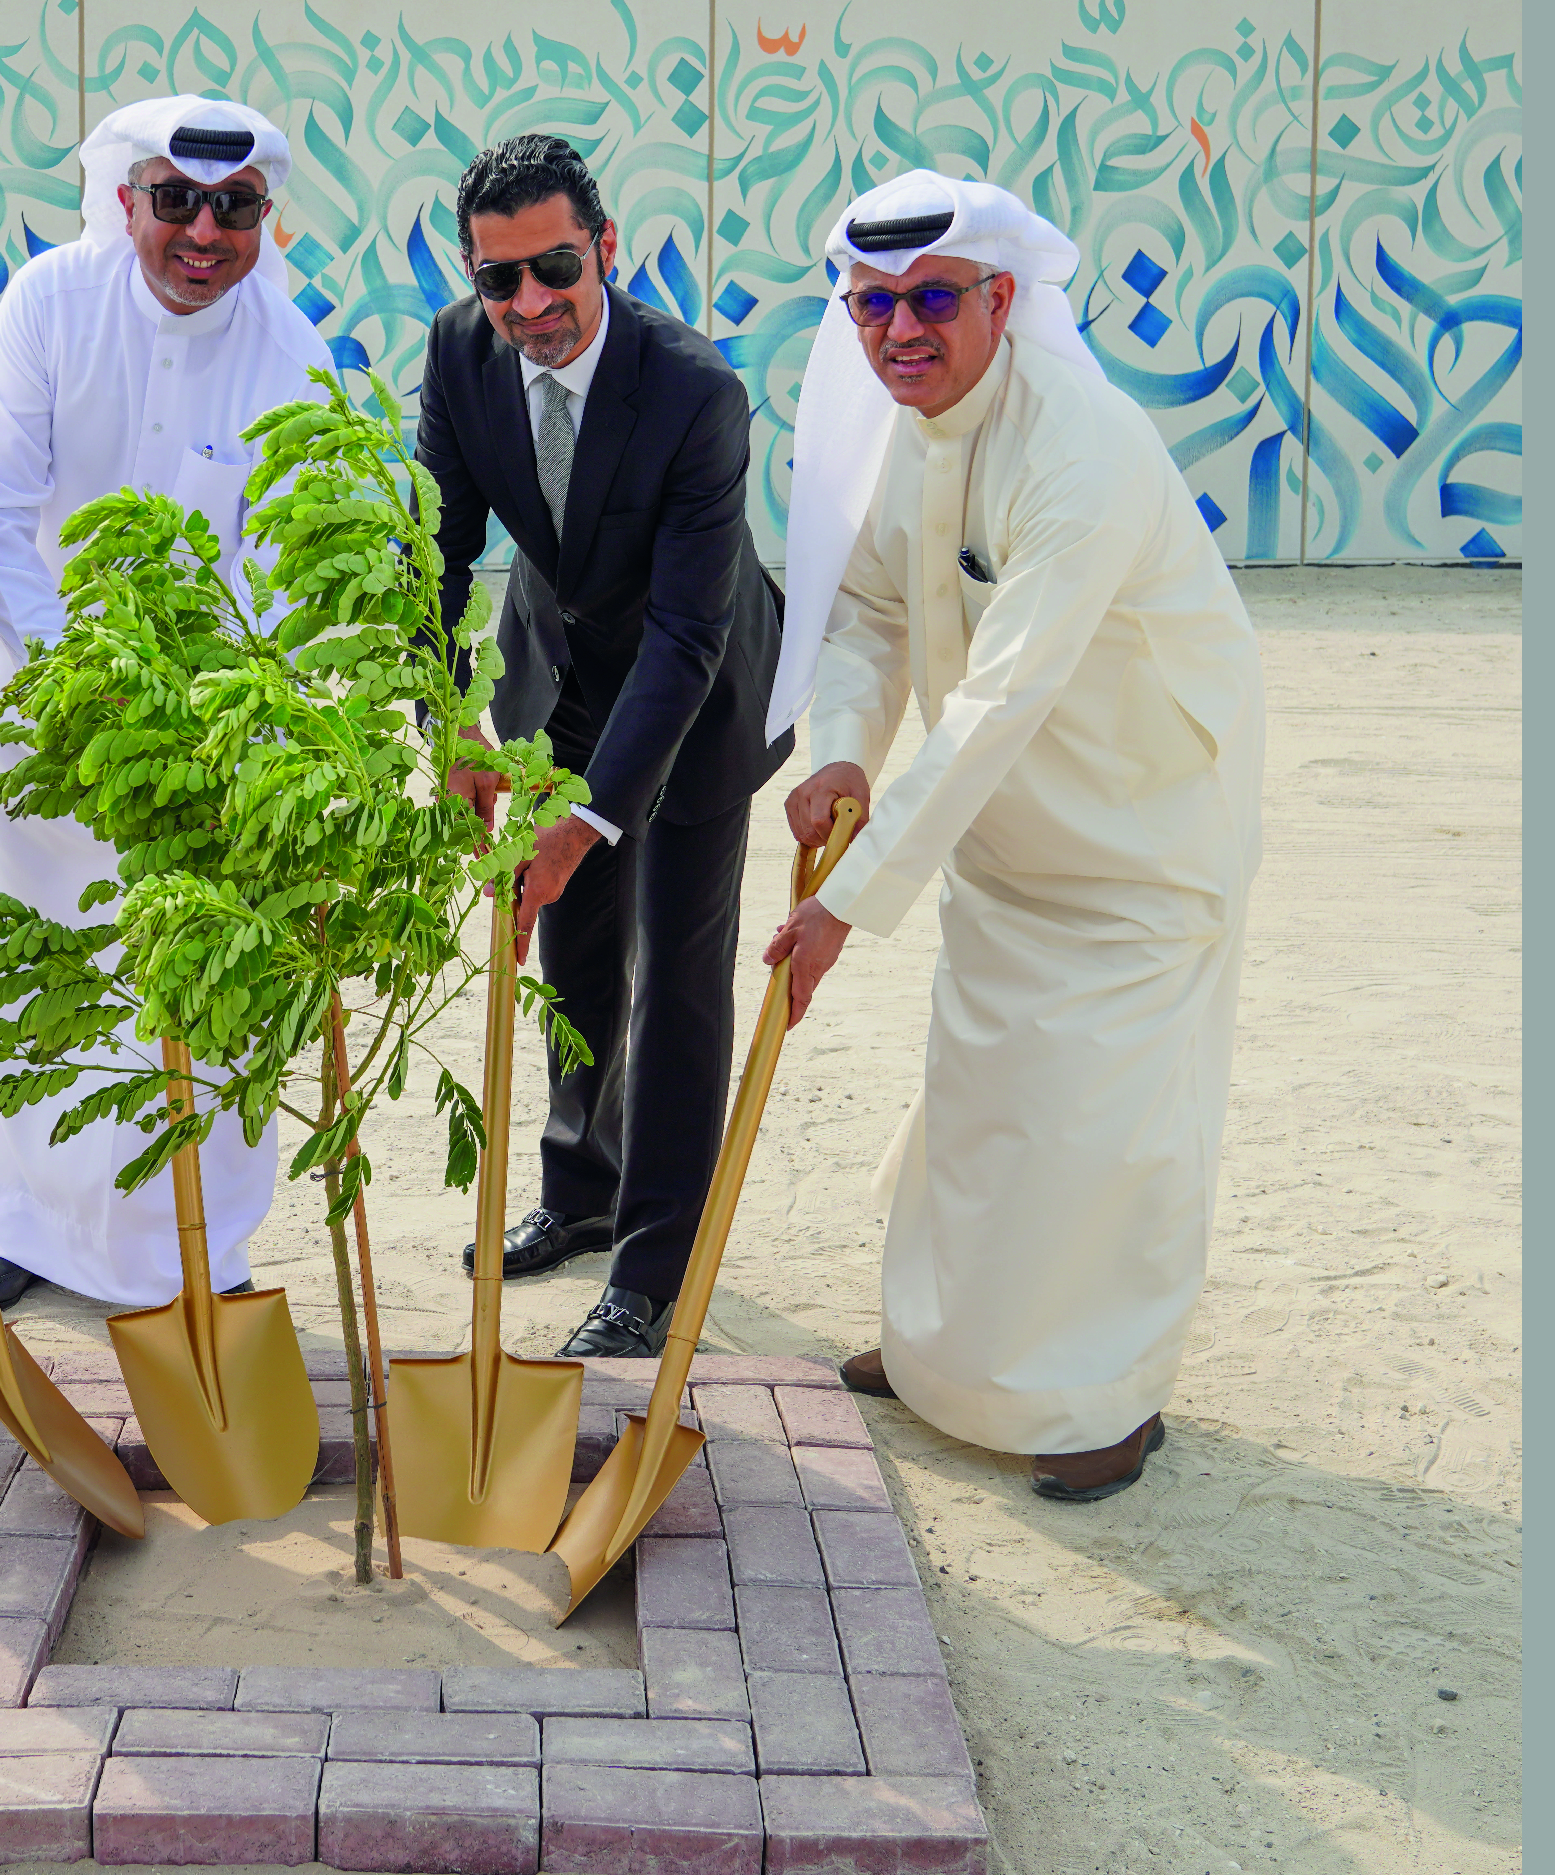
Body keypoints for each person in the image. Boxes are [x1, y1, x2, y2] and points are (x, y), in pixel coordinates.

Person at [760, 171, 1266, 1500]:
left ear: (1002, 298)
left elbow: (1001, 697)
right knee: (987, 1098)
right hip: (1006, 839)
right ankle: (946, 1356)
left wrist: (844, 904)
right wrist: (841, 756)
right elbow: (869, 611)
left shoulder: (1076, 445)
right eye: (872, 304)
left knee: (1098, 1126)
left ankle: (1102, 1397)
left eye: (932, 300)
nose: (898, 331)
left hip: (1134, 833)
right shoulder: (904, 429)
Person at [0, 96, 329, 1318]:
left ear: (266, 216)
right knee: (33, 966)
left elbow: (285, 563)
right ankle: (23, 1233)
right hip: (36, 716)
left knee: (209, 980)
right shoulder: (49, 303)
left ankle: (195, 1247)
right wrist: (77, 686)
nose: (203, 232)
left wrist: (212, 718)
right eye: (175, 201)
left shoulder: (293, 350)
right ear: (125, 203)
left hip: (216, 731)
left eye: (234, 207)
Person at [418, 134, 795, 1359]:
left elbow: (686, 637)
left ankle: (651, 1266)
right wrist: (452, 722)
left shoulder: (695, 391)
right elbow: (439, 552)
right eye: (498, 278)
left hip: (693, 693)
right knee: (572, 959)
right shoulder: (456, 353)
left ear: (605, 250)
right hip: (559, 674)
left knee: (674, 985)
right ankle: (578, 1194)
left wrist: (586, 822)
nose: (528, 303)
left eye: (554, 269)